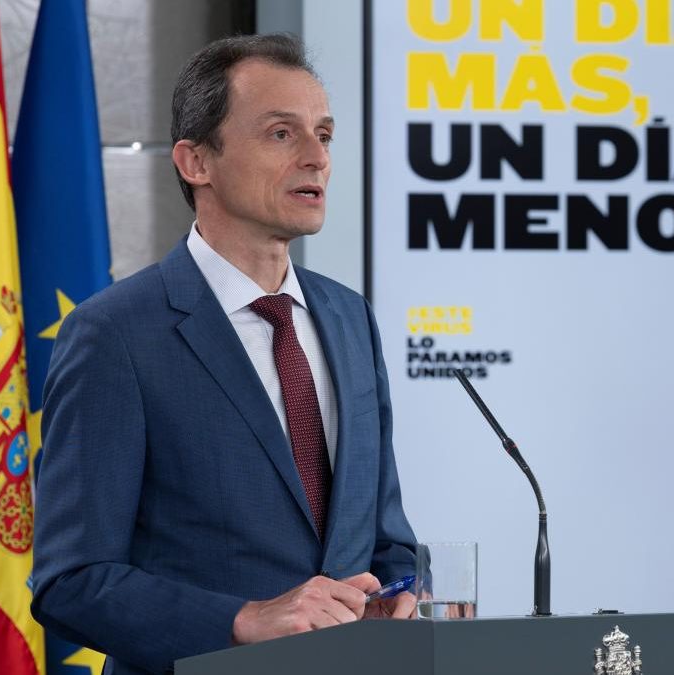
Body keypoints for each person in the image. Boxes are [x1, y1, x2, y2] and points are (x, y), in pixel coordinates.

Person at [30, 34, 417, 675]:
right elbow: (71, 581)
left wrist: (400, 592)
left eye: (324, 134)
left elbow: (385, 540)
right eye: (281, 134)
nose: (317, 157)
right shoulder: (115, 335)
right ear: (196, 161)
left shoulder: (351, 318)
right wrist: (243, 620)